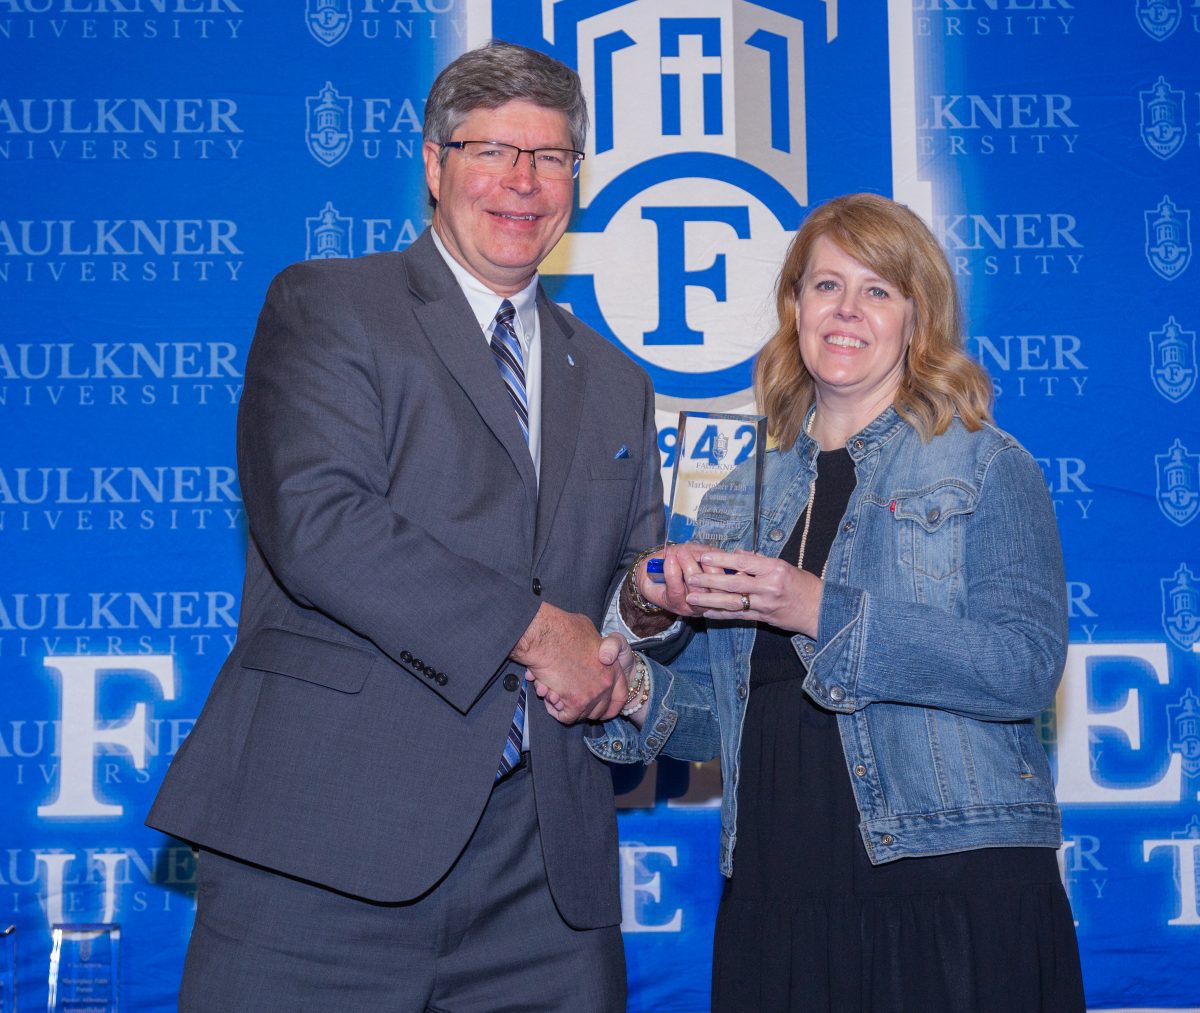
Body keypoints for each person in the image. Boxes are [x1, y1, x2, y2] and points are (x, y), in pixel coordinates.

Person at [148, 40, 662, 1013]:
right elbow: (319, 523)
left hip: (544, 880)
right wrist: (536, 628)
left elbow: (626, 589)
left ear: (577, 181)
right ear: (433, 165)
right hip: (326, 848)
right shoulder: (332, 304)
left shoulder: (619, 381)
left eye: (550, 157)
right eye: (490, 150)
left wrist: (647, 627)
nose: (523, 181)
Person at [587, 193, 1085, 1011]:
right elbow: (720, 716)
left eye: (878, 290)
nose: (848, 310)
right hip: (776, 897)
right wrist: (632, 661)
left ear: (916, 318)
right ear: (795, 307)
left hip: (948, 890)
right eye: (826, 286)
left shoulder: (988, 465)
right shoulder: (735, 503)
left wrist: (824, 609)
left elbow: (1024, 667)